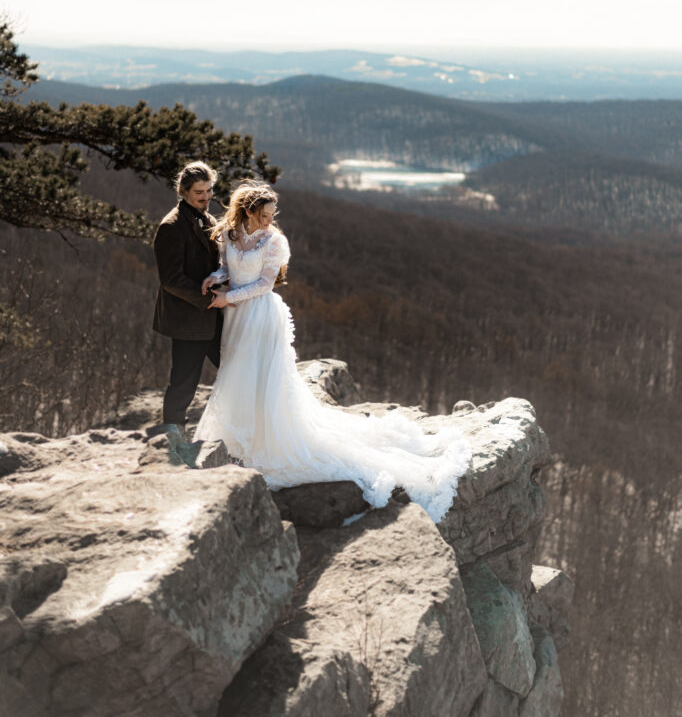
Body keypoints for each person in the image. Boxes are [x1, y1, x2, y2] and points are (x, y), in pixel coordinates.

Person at [193, 181, 471, 523]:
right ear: (247, 211)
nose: (269, 221)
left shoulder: (275, 241)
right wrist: (215, 276)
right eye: (263, 215)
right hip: (236, 317)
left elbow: (265, 283)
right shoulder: (231, 235)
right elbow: (232, 268)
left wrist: (227, 297)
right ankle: (239, 437)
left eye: (272, 215)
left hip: (260, 315)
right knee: (237, 375)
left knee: (262, 378)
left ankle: (262, 440)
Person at [153, 161, 232, 433]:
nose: (206, 197)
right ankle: (172, 441)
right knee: (184, 383)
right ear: (184, 191)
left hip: (214, 317)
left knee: (235, 369)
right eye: (199, 192)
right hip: (188, 320)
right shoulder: (171, 227)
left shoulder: (208, 219)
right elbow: (171, 280)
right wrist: (209, 298)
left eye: (209, 190)